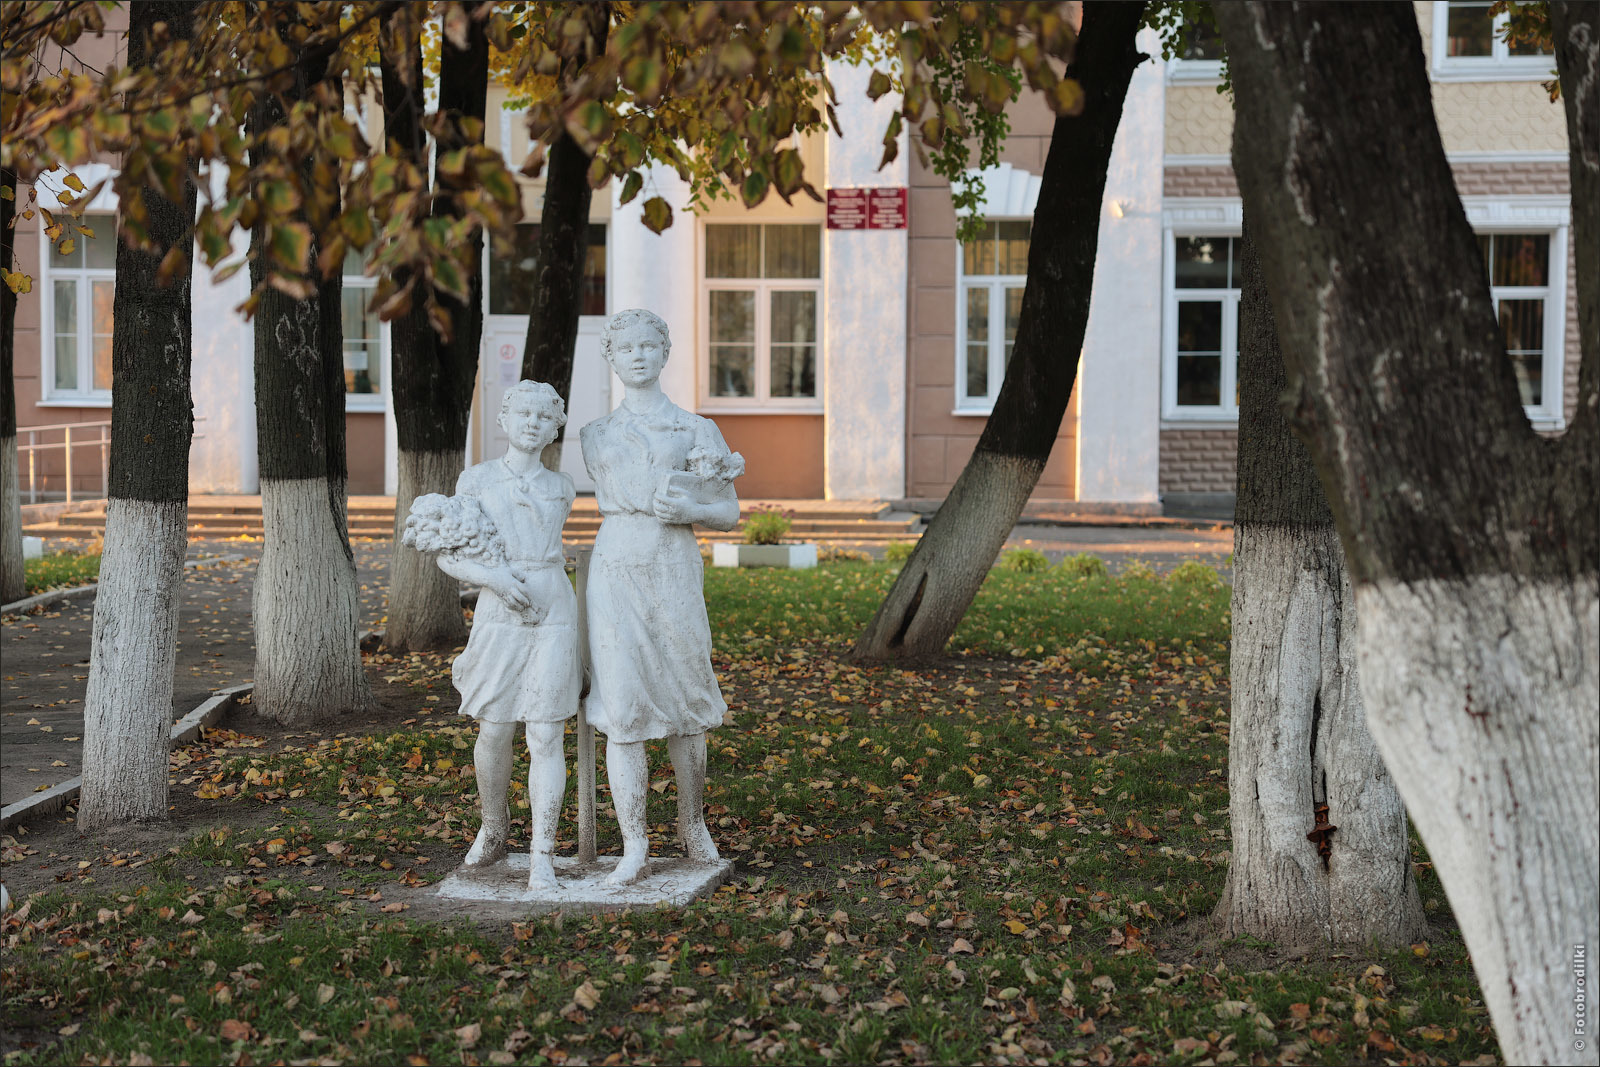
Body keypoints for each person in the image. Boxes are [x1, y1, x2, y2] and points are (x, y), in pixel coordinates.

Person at [580, 309, 742, 886]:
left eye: (650, 345)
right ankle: (634, 843)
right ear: (613, 358)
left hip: (673, 565)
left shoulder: (697, 429)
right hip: (618, 565)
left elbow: (728, 511)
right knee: (622, 705)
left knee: (687, 698)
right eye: (627, 349)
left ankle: (692, 822)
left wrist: (693, 511)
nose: (640, 356)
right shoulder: (594, 434)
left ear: (665, 352)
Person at [406, 380, 580, 892]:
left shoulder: (562, 487)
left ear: (555, 427)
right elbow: (447, 552)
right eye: (522, 413)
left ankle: (543, 852)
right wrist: (495, 579)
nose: (532, 423)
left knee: (547, 732)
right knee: (495, 728)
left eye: (543, 416)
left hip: (552, 606)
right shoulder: (477, 481)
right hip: (499, 607)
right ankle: (494, 826)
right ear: (504, 420)